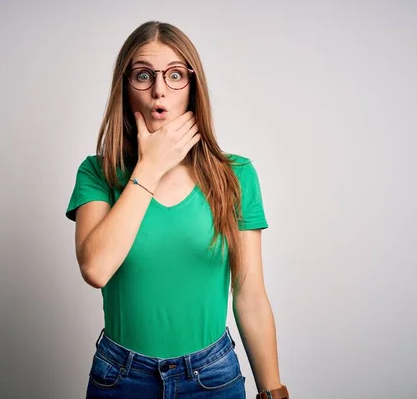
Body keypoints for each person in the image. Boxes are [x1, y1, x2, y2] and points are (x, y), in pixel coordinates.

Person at [65, 21, 289, 399]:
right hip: (121, 378)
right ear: (125, 87)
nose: (158, 90)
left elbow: (250, 296)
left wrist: (274, 392)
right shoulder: (97, 173)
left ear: (193, 86)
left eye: (174, 75)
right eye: (143, 75)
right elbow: (96, 269)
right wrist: (149, 168)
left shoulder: (236, 176)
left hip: (212, 377)